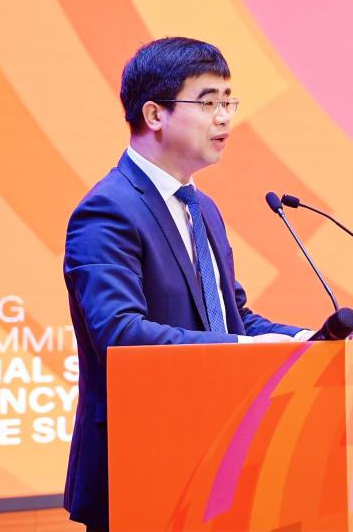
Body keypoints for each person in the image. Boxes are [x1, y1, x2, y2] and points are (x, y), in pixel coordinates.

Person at [62, 37, 310, 531]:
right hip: (141, 466)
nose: (225, 118)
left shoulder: (202, 209)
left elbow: (232, 317)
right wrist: (242, 350)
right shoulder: (109, 209)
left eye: (229, 102)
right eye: (209, 102)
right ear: (155, 114)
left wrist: (309, 339)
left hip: (216, 457)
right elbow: (119, 334)